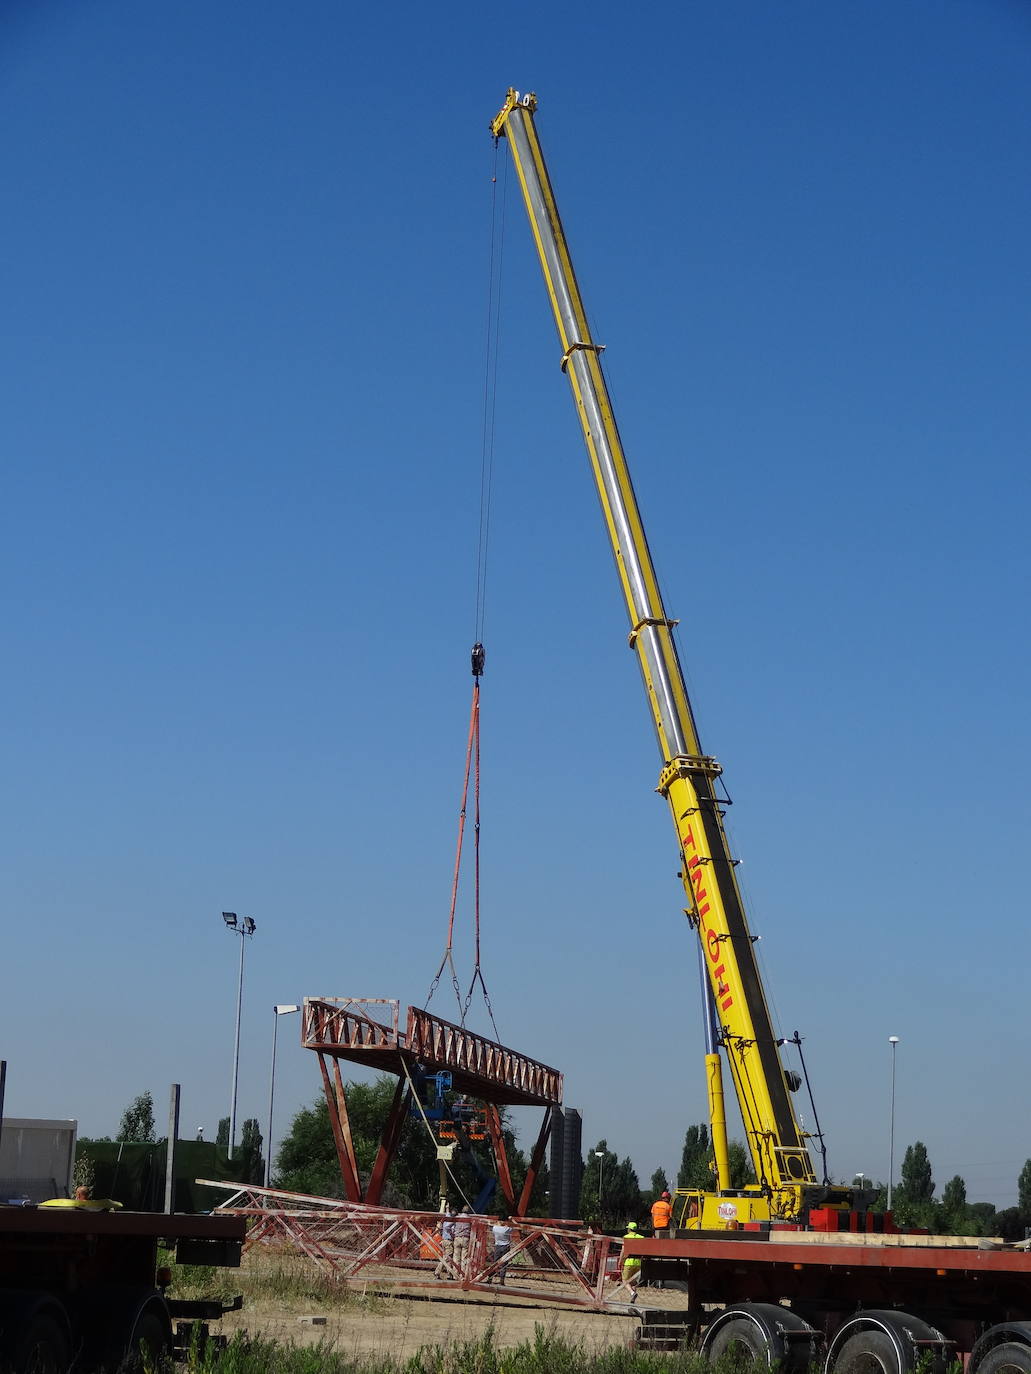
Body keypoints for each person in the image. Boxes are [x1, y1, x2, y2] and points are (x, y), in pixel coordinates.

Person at [619, 1220, 643, 1302]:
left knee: (625, 1280)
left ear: (629, 1229)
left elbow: (623, 1250)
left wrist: (620, 1260)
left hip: (629, 1261)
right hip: (638, 1262)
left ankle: (632, 1293)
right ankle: (633, 1298)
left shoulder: (626, 1237)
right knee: (633, 1282)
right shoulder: (641, 1238)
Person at [490, 1216, 513, 1285]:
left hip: (497, 1246)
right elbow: (512, 1226)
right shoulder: (507, 1229)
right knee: (504, 1264)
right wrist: (510, 1220)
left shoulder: (495, 1228)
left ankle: (490, 1277)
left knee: (495, 1263)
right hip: (506, 1246)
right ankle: (502, 1280)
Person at [433, 1210, 456, 1278]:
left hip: (444, 1240)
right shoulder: (452, 1223)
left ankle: (449, 1274)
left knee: (448, 1259)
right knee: (447, 1258)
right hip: (449, 1241)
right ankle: (437, 1272)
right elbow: (450, 1230)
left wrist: (447, 1208)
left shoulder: (446, 1219)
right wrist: (452, 1234)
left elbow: (447, 1213)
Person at [453, 1204, 473, 1275]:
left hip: (457, 1237)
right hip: (465, 1238)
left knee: (456, 1257)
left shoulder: (457, 1217)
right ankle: (463, 1274)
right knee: (464, 1258)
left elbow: (453, 1227)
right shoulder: (470, 1219)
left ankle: (455, 1274)